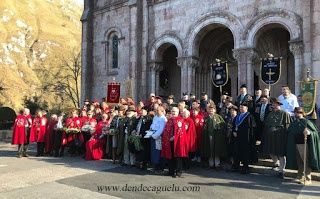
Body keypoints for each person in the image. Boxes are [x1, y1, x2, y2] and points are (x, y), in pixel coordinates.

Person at [286, 107, 320, 185]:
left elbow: (315, 133)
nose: (296, 114)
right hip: (296, 144)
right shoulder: (294, 122)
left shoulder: (307, 122)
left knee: (306, 162)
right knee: (299, 162)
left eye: (298, 112)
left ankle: (308, 178)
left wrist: (309, 133)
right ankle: (299, 177)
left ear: (302, 113)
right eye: (295, 112)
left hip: (305, 145)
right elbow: (290, 131)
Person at [263, 98, 291, 178]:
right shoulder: (270, 114)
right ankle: (276, 163)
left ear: (279, 105)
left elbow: (287, 125)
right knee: (271, 151)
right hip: (271, 136)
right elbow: (267, 124)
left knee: (281, 153)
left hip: (280, 136)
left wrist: (286, 136)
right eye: (273, 104)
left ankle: (281, 171)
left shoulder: (284, 113)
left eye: (276, 104)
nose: (274, 105)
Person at [161, 107, 187, 177]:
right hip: (169, 141)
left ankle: (178, 172)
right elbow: (166, 130)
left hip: (177, 142)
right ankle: (171, 171)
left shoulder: (180, 120)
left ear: (178, 112)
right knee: (170, 157)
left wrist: (174, 137)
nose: (173, 113)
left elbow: (180, 130)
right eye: (172, 111)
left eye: (174, 111)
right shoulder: (169, 120)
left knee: (178, 157)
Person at [232, 102, 256, 174]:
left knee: (245, 153)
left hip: (245, 138)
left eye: (243, 107)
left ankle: (245, 168)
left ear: (246, 108)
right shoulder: (237, 116)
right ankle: (236, 166)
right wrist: (234, 131)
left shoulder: (249, 116)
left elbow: (252, 128)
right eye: (240, 107)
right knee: (236, 152)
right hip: (237, 137)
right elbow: (234, 125)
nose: (241, 108)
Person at [201, 103, 227, 169]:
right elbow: (204, 127)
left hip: (217, 137)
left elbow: (223, 125)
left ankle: (217, 164)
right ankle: (211, 164)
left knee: (216, 150)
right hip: (209, 136)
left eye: (212, 109)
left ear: (215, 110)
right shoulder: (206, 118)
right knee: (210, 149)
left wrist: (219, 129)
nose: (211, 111)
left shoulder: (218, 117)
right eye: (210, 109)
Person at [149, 106, 167, 172]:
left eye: (158, 110)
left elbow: (161, 129)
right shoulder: (155, 117)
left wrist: (155, 135)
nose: (156, 111)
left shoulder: (163, 119)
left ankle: (159, 167)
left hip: (158, 137)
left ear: (162, 111)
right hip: (152, 135)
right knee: (153, 152)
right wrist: (150, 131)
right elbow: (153, 125)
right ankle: (154, 166)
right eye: (156, 110)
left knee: (158, 152)